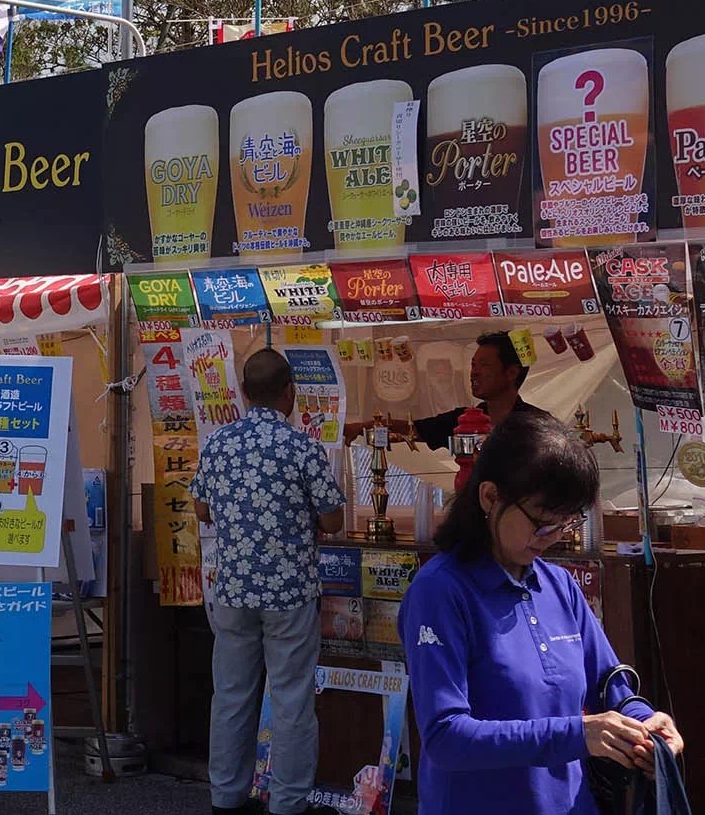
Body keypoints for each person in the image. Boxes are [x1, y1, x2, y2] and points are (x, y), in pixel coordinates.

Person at [400, 411, 682, 815]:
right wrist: (579, 734)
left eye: (565, 524)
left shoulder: (558, 585)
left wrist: (648, 723)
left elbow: (609, 684)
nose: (552, 538)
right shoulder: (440, 591)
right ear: (489, 497)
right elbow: (446, 736)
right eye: (542, 523)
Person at [192, 349, 344, 815]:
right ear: (289, 392)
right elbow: (333, 520)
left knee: (232, 696)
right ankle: (288, 802)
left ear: (241, 391)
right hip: (290, 592)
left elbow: (201, 510)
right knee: (292, 698)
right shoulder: (303, 448)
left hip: (233, 590)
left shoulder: (218, 444)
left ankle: (226, 798)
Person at [345, 331, 547, 450]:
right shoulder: (464, 420)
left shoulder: (539, 426)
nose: (474, 372)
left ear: (511, 372)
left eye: (484, 365)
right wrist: (362, 426)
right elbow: (413, 429)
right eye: (472, 364)